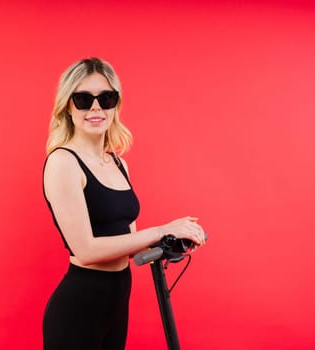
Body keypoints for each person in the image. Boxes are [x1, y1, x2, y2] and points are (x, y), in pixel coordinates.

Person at [42, 57, 206, 350]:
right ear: (68, 106)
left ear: (115, 104)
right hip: (79, 307)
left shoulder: (118, 163)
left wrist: (172, 238)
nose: (96, 108)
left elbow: (129, 242)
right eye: (83, 99)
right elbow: (86, 250)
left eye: (106, 98)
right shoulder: (63, 162)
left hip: (117, 302)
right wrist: (159, 230)